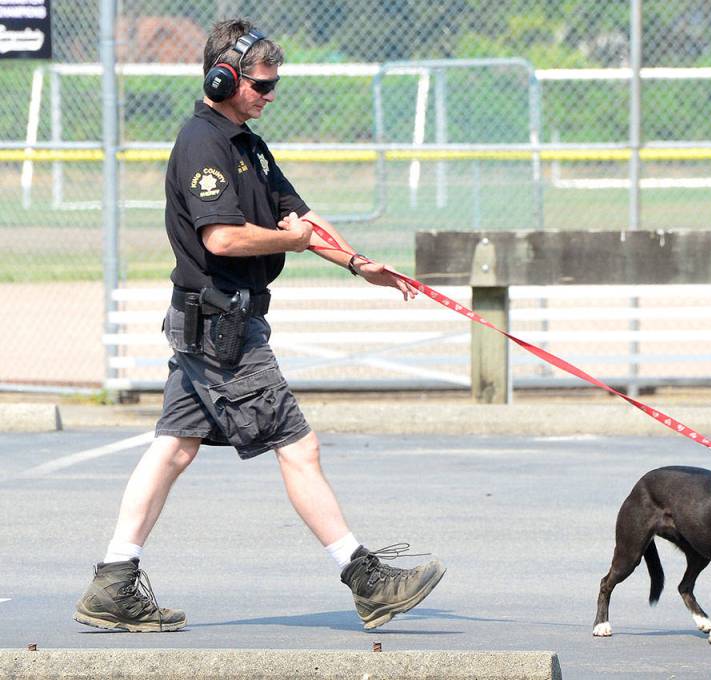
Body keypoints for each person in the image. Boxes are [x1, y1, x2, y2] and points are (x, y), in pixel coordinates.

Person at [73, 18, 444, 633]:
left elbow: (301, 218)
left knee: (174, 448)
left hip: (211, 321)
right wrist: (290, 243)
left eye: (274, 85)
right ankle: (366, 579)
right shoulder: (203, 144)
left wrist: (357, 263)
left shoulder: (248, 144)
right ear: (223, 79)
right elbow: (221, 237)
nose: (271, 95)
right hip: (221, 325)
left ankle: (113, 581)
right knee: (298, 445)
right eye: (262, 85)